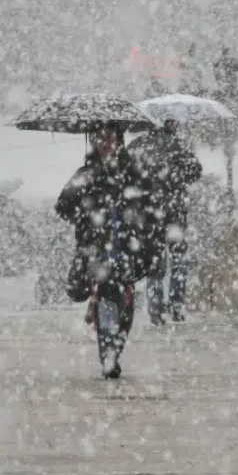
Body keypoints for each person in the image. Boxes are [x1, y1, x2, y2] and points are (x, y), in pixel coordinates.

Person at [55, 124, 162, 379]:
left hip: (126, 246)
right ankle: (107, 354)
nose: (105, 143)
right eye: (99, 138)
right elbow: (63, 207)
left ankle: (115, 346)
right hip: (96, 247)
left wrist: (141, 225)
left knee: (125, 301)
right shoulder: (86, 173)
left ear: (119, 141)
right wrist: (84, 206)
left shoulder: (133, 171)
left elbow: (151, 206)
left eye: (110, 138)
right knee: (105, 294)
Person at [128, 118, 204, 324]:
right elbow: (196, 171)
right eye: (172, 121)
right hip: (174, 213)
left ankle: (156, 308)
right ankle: (177, 305)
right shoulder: (178, 146)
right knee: (178, 260)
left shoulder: (138, 146)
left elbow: (128, 177)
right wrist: (178, 171)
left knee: (155, 262)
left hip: (150, 215)